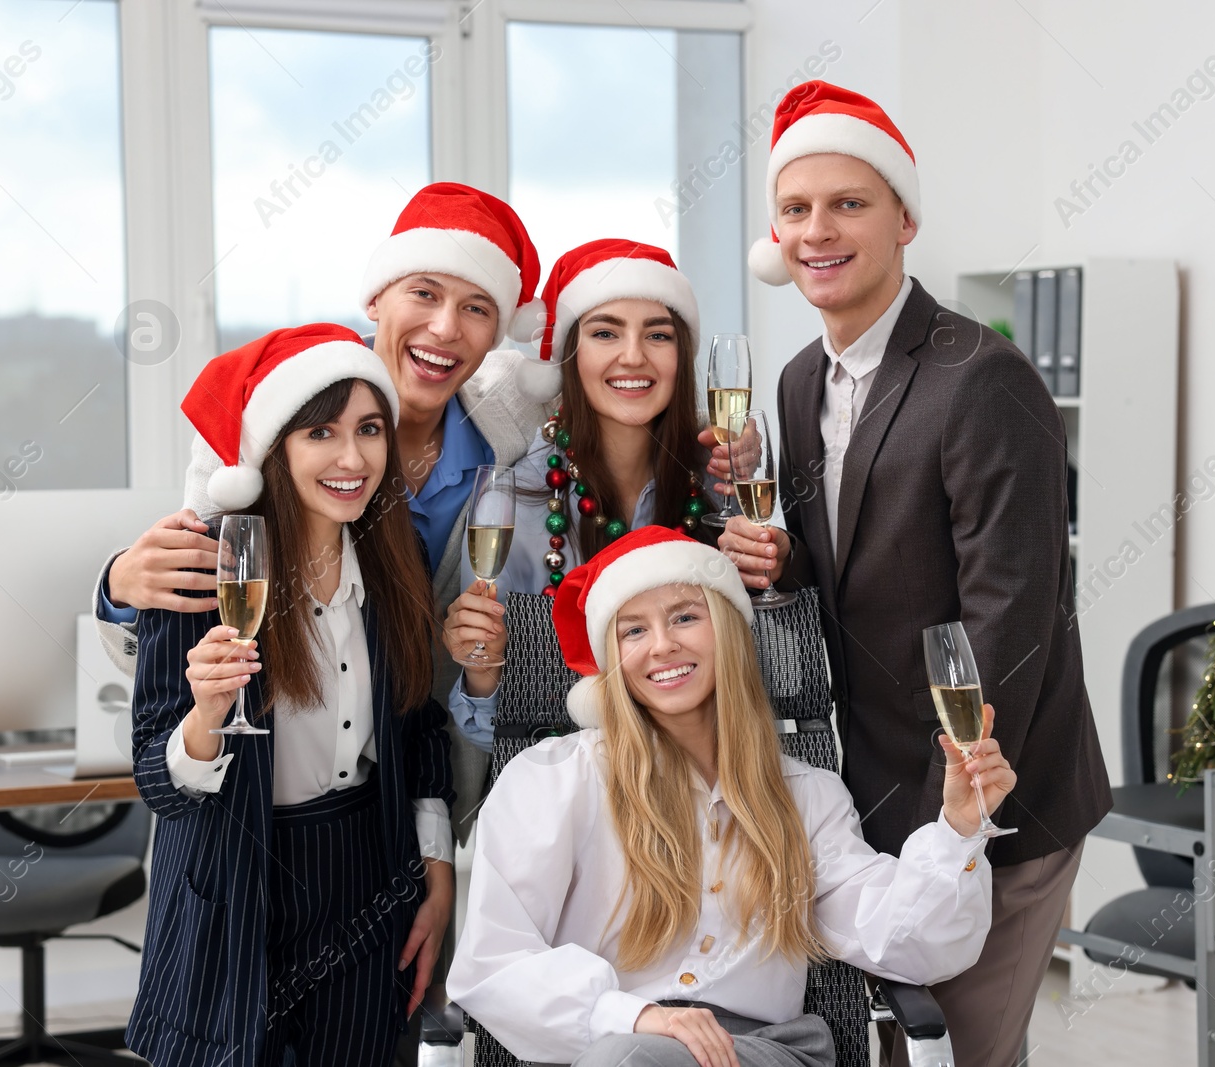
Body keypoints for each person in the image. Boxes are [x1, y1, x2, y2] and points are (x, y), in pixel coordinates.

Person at [711, 81, 1113, 1065]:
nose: (819, 230)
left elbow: (1009, 610)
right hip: (871, 792)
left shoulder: (981, 375)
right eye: (797, 210)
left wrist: (956, 808)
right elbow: (849, 566)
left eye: (848, 203)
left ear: (904, 218)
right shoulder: (802, 375)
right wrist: (783, 554)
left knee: (957, 1047)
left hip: (989, 794)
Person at [447, 526, 1014, 1067]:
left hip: (762, 1053)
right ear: (613, 661)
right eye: (634, 630)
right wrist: (634, 1016)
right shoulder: (551, 781)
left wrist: (960, 829)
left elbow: (913, 946)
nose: (663, 646)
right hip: (607, 1049)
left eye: (686, 617)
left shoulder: (806, 796)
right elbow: (493, 962)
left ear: (728, 632)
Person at [94, 181, 545, 845]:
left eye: (477, 306)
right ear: (376, 298)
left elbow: (615, 400)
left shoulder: (512, 421)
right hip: (254, 808)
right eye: (423, 292)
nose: (446, 327)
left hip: (435, 780)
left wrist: (725, 456)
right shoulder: (267, 418)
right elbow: (178, 649)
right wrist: (118, 590)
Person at [125, 324, 454, 1067]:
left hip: (364, 874)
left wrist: (436, 876)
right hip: (237, 874)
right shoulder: (200, 568)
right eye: (321, 432)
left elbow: (419, 726)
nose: (353, 457)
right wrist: (205, 720)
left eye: (370, 429)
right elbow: (154, 776)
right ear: (276, 449)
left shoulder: (400, 550)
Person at [442, 239, 716, 753]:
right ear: (569, 355)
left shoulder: (720, 481)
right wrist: (482, 663)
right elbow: (486, 731)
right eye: (605, 332)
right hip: (564, 794)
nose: (632, 356)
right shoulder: (513, 501)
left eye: (658, 335)